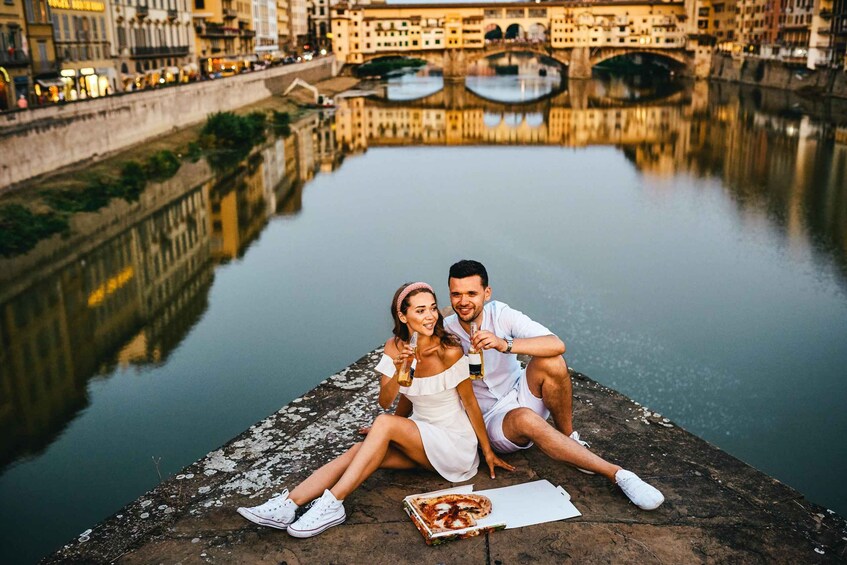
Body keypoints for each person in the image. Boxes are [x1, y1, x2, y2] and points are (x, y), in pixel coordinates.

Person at [237, 281, 513, 538]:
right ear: (403, 317)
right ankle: (288, 504)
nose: (430, 316)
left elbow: (470, 403)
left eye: (432, 308)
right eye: (420, 310)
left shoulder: (448, 350)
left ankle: (333, 504)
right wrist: (398, 370)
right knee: (360, 450)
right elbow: (389, 399)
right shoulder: (394, 348)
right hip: (422, 442)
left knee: (383, 423)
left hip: (454, 446)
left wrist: (486, 450)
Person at [442, 260, 664, 511]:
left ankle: (569, 439)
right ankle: (619, 475)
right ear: (449, 295)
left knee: (554, 362)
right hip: (492, 419)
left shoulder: (501, 314)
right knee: (525, 418)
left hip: (519, 391)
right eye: (456, 294)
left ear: (487, 293)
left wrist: (506, 344)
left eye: (471, 293)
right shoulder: (444, 333)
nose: (463, 301)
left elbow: (556, 344)